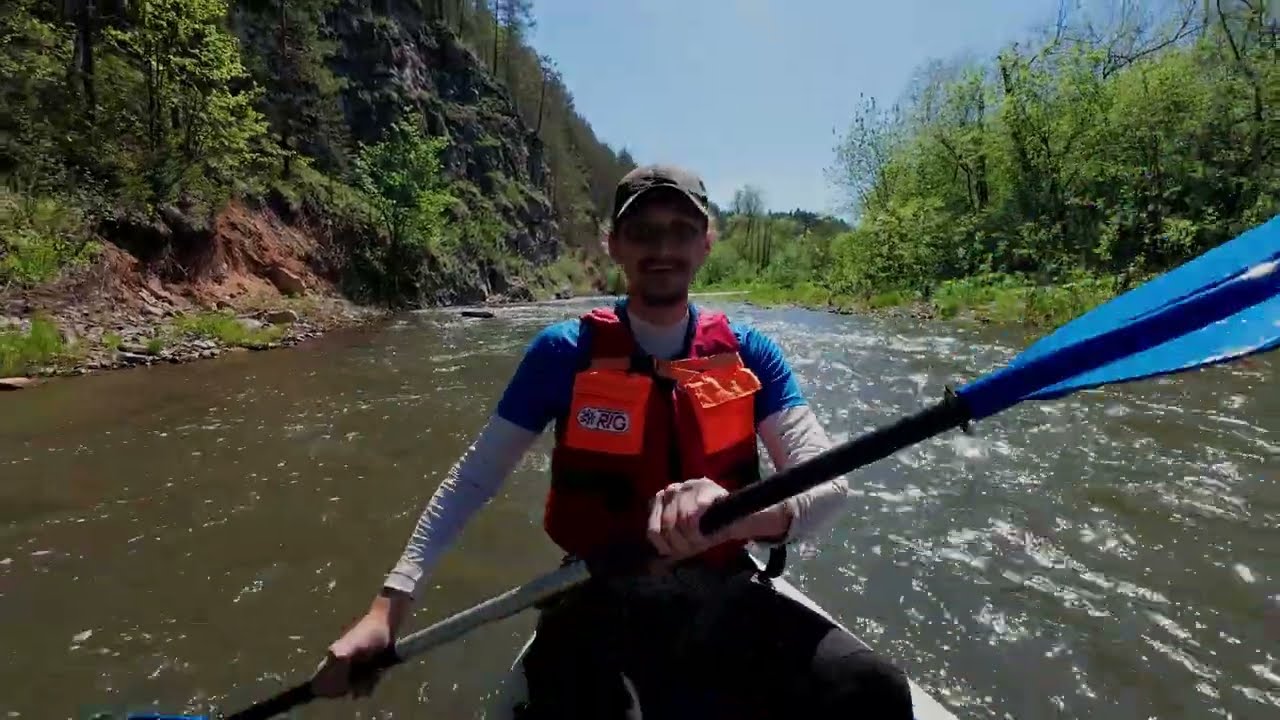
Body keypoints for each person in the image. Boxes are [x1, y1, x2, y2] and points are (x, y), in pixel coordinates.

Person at [313, 165, 915, 718]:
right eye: (643, 231)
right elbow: (473, 480)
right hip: (595, 593)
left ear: (706, 244)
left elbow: (829, 490)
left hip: (722, 593)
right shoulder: (561, 354)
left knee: (872, 688)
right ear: (615, 244)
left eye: (681, 231)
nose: (662, 248)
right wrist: (388, 606)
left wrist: (734, 520)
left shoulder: (753, 354)